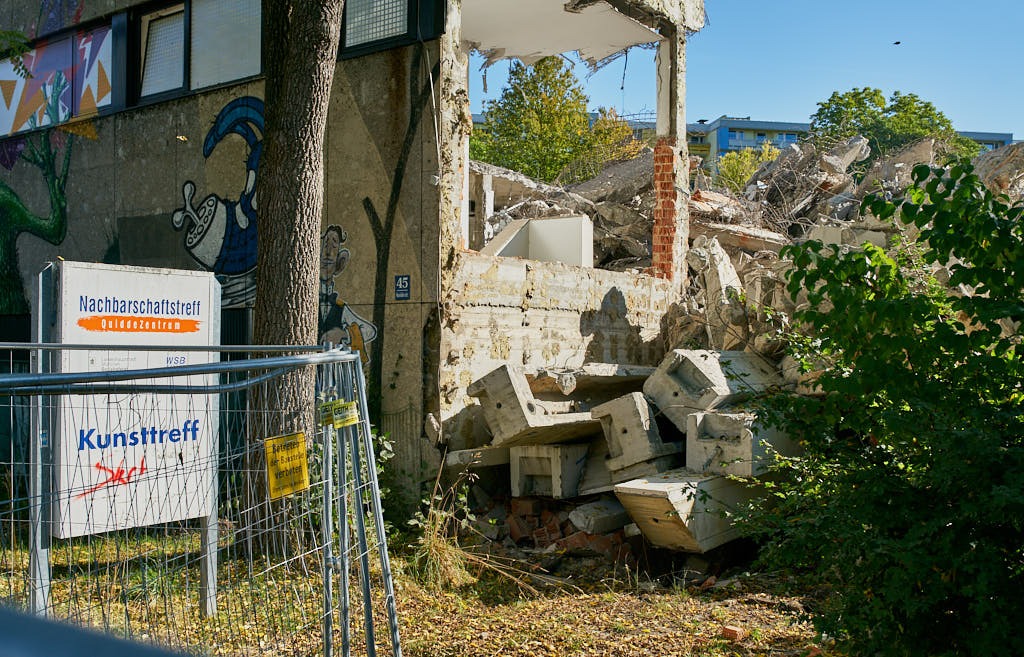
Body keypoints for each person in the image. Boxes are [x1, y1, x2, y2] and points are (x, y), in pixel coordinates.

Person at [318, 225, 377, 363]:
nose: (327, 252)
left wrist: (344, 334)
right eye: (325, 244)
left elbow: (370, 331)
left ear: (340, 264)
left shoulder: (340, 307)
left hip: (331, 373)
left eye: (333, 246)